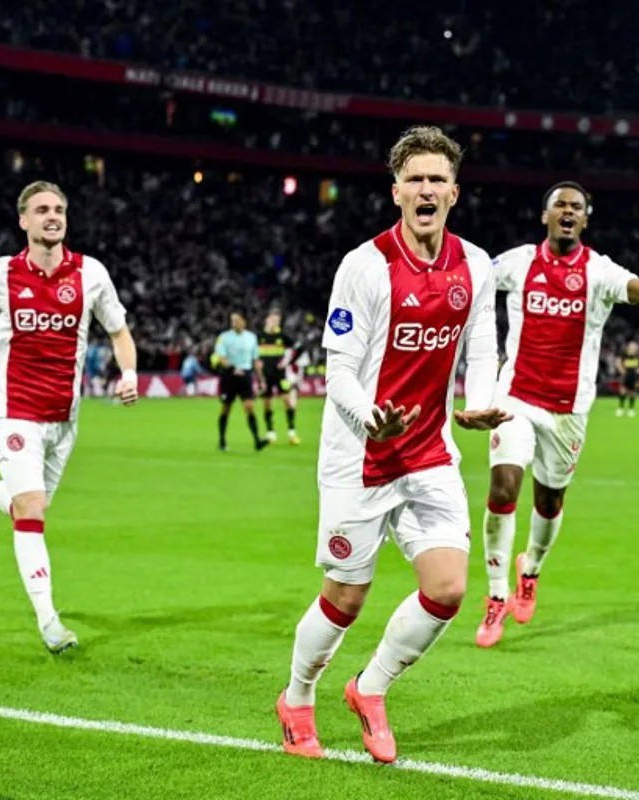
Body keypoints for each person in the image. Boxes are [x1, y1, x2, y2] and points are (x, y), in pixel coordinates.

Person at [276, 126, 510, 764]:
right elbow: (339, 372)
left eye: (438, 179)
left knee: (448, 587)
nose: (426, 189)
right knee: (346, 597)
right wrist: (368, 418)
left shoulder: (476, 265)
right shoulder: (364, 266)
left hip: (429, 451)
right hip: (360, 454)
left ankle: (369, 688)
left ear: (454, 192)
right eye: (416, 179)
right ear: (396, 191)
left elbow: (482, 345)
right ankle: (297, 698)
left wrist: (481, 400)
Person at [476, 181, 639, 648]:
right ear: (544, 215)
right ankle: (495, 597)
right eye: (560, 205)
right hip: (516, 399)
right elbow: (470, 277)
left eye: (577, 207)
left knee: (548, 502)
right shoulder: (517, 262)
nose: (568, 212)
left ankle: (531, 570)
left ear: (585, 220)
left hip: (568, 411)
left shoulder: (597, 271)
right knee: (503, 488)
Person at [0, 181, 138, 654]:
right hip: (15, 415)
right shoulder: (2, 275)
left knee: (24, 509)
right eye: (41, 210)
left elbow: (119, 331)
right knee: (32, 512)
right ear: (24, 221)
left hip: (63, 419)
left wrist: (129, 373)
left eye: (58, 208)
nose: (52, 216)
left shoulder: (92, 274)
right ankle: (50, 622)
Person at [212, 312, 269, 452]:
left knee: (249, 407)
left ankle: (257, 441)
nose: (234, 323)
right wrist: (232, 368)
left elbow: (255, 360)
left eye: (237, 320)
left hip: (245, 376)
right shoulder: (223, 337)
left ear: (244, 321)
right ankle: (222, 441)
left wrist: (261, 379)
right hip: (229, 376)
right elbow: (221, 357)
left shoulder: (252, 338)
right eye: (232, 320)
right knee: (226, 408)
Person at [257, 309, 300, 445]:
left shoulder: (282, 336)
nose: (275, 322)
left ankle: (292, 432)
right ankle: (270, 433)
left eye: (277, 320)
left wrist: (286, 362)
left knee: (287, 401)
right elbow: (254, 355)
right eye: (273, 320)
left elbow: (296, 349)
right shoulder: (259, 336)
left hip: (280, 375)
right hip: (265, 376)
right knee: (267, 404)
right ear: (267, 320)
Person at [614, 341, 639, 417]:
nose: (633, 348)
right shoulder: (623, 355)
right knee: (623, 391)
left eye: (634, 347)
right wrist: (622, 371)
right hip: (625, 375)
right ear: (628, 347)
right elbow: (618, 362)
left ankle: (631, 409)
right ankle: (620, 408)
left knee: (633, 392)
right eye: (631, 347)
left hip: (635, 376)